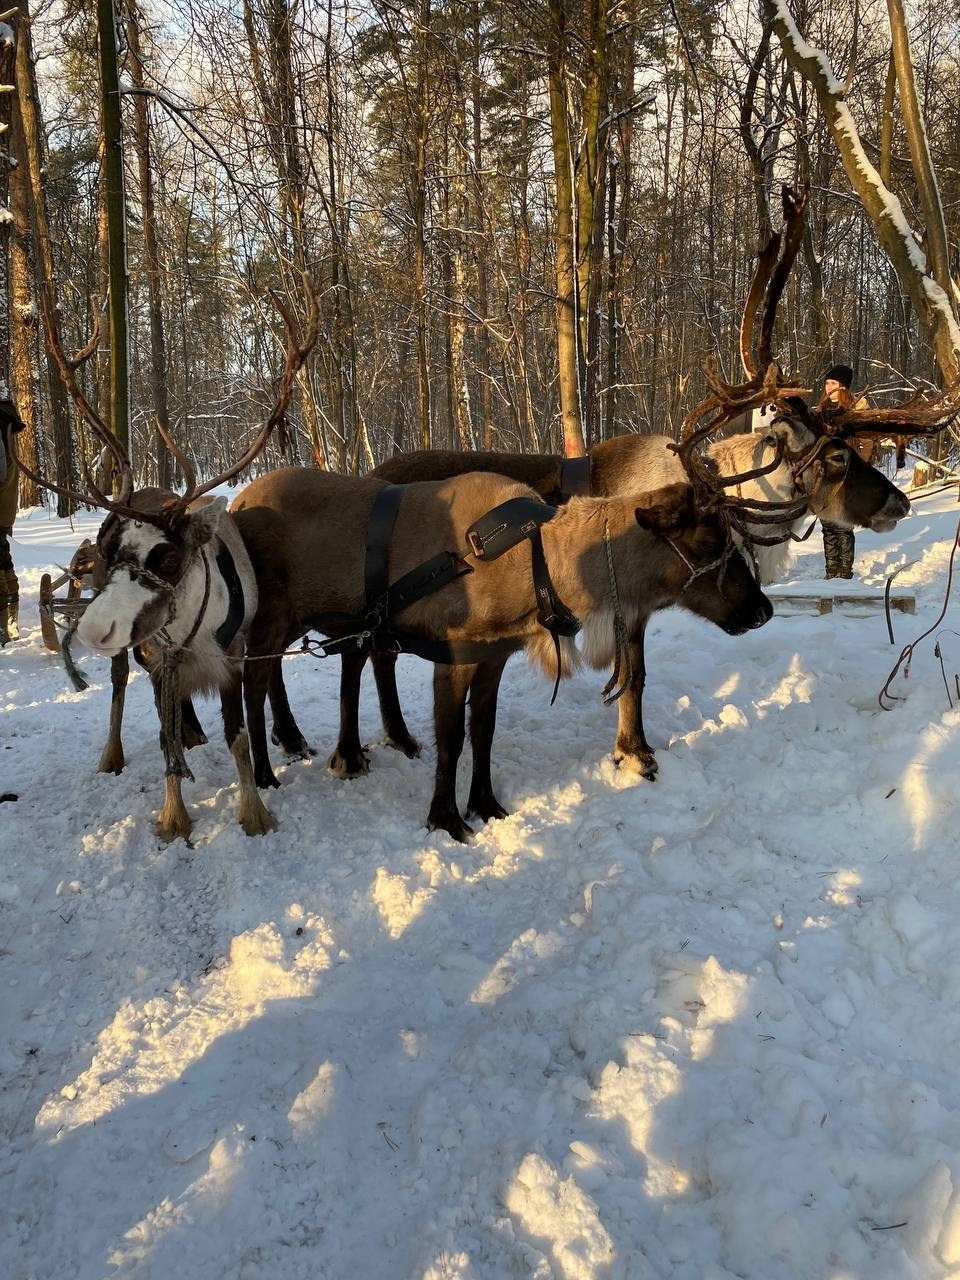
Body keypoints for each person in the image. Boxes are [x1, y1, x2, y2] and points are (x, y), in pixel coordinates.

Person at [817, 363, 871, 579]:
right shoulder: (821, 411)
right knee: (828, 526)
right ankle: (831, 572)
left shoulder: (856, 411)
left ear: (844, 387)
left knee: (843, 526)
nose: (829, 387)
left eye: (834, 383)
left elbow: (866, 442)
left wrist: (860, 466)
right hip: (824, 476)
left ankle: (844, 572)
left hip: (848, 474)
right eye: (827, 383)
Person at [0, 398, 26, 644]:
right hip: (4, 509)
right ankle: (10, 623)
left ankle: (2, 631)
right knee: (4, 561)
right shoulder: (5, 424)